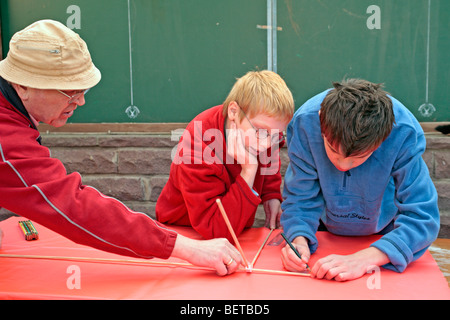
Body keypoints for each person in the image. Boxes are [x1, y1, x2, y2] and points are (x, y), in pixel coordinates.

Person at [0, 19, 243, 276]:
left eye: (84, 90)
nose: (81, 101)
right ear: (23, 86)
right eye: (70, 91)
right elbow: (73, 206)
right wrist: (189, 249)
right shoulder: (6, 136)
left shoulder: (12, 112)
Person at [281, 79, 440, 281]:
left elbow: (422, 217)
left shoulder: (403, 132)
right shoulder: (305, 123)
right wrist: (298, 237)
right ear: (321, 122)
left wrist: (364, 259)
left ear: (384, 138)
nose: (343, 166)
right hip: (323, 236)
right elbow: (300, 198)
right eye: (332, 150)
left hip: (382, 238)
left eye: (359, 157)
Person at [156, 70, 294, 241]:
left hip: (233, 229)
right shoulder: (197, 143)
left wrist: (271, 194)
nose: (266, 144)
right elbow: (217, 230)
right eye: (260, 131)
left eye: (276, 136)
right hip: (184, 231)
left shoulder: (262, 133)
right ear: (234, 112)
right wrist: (249, 170)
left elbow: (270, 157)